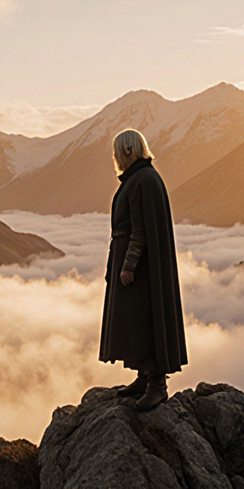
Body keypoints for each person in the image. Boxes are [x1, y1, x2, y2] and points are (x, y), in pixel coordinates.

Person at [99, 128, 188, 411]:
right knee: (136, 320)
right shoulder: (140, 178)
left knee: (147, 319)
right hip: (138, 265)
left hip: (142, 270)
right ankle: (143, 377)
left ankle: (157, 386)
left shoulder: (143, 181)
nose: (115, 158)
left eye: (117, 153)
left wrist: (127, 266)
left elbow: (140, 231)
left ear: (126, 152)